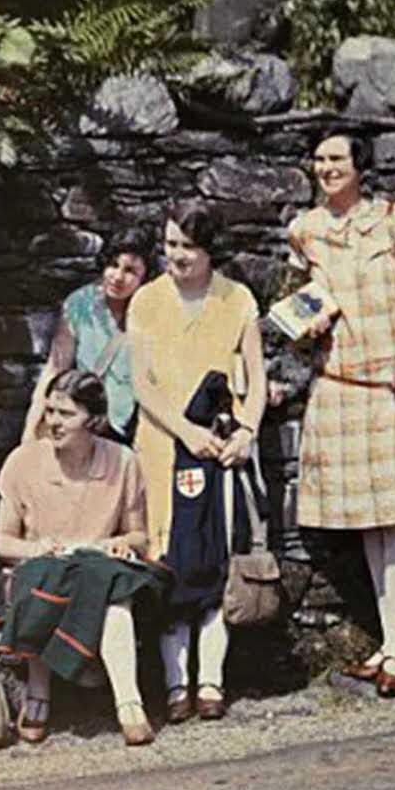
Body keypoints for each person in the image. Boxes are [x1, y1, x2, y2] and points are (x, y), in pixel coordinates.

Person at [287, 130, 395, 698]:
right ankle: (392, 645)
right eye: (318, 160)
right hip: (342, 385)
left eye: (336, 158)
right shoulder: (305, 230)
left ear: (360, 166)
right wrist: (306, 325)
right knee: (368, 517)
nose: (326, 168)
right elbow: (298, 304)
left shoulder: (394, 220)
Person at [127, 201, 266, 722]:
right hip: (164, 448)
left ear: (210, 250)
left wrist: (246, 431)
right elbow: (142, 384)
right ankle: (174, 682)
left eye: (188, 246)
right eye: (170, 245)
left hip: (218, 451)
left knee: (213, 560)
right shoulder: (147, 301)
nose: (177, 256)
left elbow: (256, 377)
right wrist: (185, 430)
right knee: (169, 560)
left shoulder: (237, 299)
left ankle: (211, 680)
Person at [0, 370, 164, 747]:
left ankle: (129, 703)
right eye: (50, 411)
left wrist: (120, 543)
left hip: (97, 567)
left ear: (93, 419)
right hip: (44, 566)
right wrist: (37, 547)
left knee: (113, 592)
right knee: (41, 581)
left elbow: (139, 536)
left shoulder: (122, 461)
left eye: (66, 414)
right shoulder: (22, 461)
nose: (53, 422)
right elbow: (2, 541)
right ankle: (38, 695)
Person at [21, 224, 155, 445]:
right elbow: (55, 368)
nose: (118, 277)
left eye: (130, 271)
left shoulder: (151, 314)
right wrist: (30, 433)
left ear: (145, 276)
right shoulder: (80, 304)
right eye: (113, 265)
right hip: (86, 425)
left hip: (130, 431)